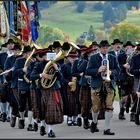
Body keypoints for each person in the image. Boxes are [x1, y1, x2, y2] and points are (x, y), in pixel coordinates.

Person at [86, 40, 119, 135]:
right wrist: (98, 70)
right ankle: (94, 122)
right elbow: (88, 71)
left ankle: (106, 128)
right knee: (95, 107)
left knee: (109, 106)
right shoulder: (93, 57)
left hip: (109, 84)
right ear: (100, 48)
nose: (105, 49)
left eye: (106, 47)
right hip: (97, 84)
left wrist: (112, 72)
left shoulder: (112, 58)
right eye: (103, 47)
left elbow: (118, 70)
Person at [30, 48, 64, 137]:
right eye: (46, 55)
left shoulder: (56, 65)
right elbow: (32, 76)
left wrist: (57, 70)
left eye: (50, 55)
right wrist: (41, 75)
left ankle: (50, 130)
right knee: (42, 109)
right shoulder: (38, 65)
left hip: (53, 89)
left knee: (51, 110)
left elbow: (61, 78)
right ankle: (42, 125)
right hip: (42, 89)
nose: (48, 57)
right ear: (43, 57)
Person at [117, 41, 135, 120]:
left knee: (133, 96)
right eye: (127, 47)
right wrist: (123, 66)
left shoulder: (135, 56)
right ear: (125, 48)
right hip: (124, 77)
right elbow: (117, 65)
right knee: (124, 97)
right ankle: (122, 111)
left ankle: (133, 114)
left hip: (133, 78)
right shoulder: (121, 56)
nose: (129, 48)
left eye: (130, 47)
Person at [130, 43, 140, 125]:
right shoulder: (134, 58)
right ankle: (136, 112)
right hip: (137, 78)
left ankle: (135, 111)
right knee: (137, 95)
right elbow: (131, 70)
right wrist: (138, 70)